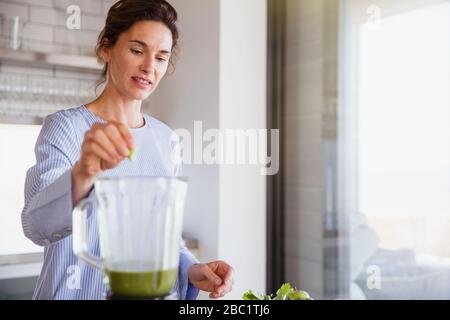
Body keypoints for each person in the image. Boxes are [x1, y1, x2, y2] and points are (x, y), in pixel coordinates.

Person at [21, 0, 233, 300]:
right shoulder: (66, 127)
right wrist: (84, 173)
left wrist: (190, 269)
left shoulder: (166, 139)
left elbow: (164, 239)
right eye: (137, 50)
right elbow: (37, 225)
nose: (149, 67)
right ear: (106, 48)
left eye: (161, 57)